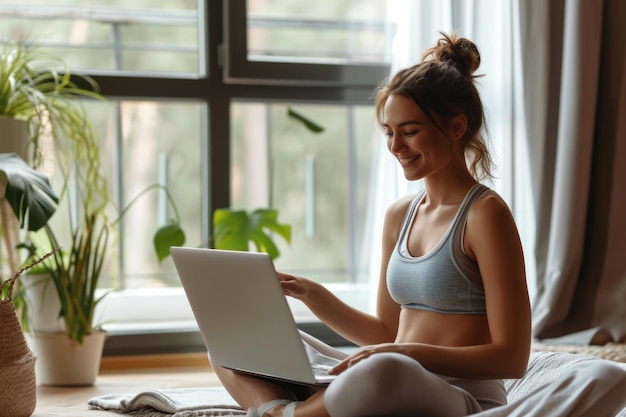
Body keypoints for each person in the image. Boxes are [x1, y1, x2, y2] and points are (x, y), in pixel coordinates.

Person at [213, 32, 532, 417]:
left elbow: (512, 358)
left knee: (382, 370)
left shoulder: (486, 215)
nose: (396, 147)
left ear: (456, 127)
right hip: (392, 375)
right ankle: (287, 410)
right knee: (231, 341)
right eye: (389, 132)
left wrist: (402, 352)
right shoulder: (400, 215)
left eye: (410, 131)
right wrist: (312, 294)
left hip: (458, 397)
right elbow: (384, 332)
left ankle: (287, 413)